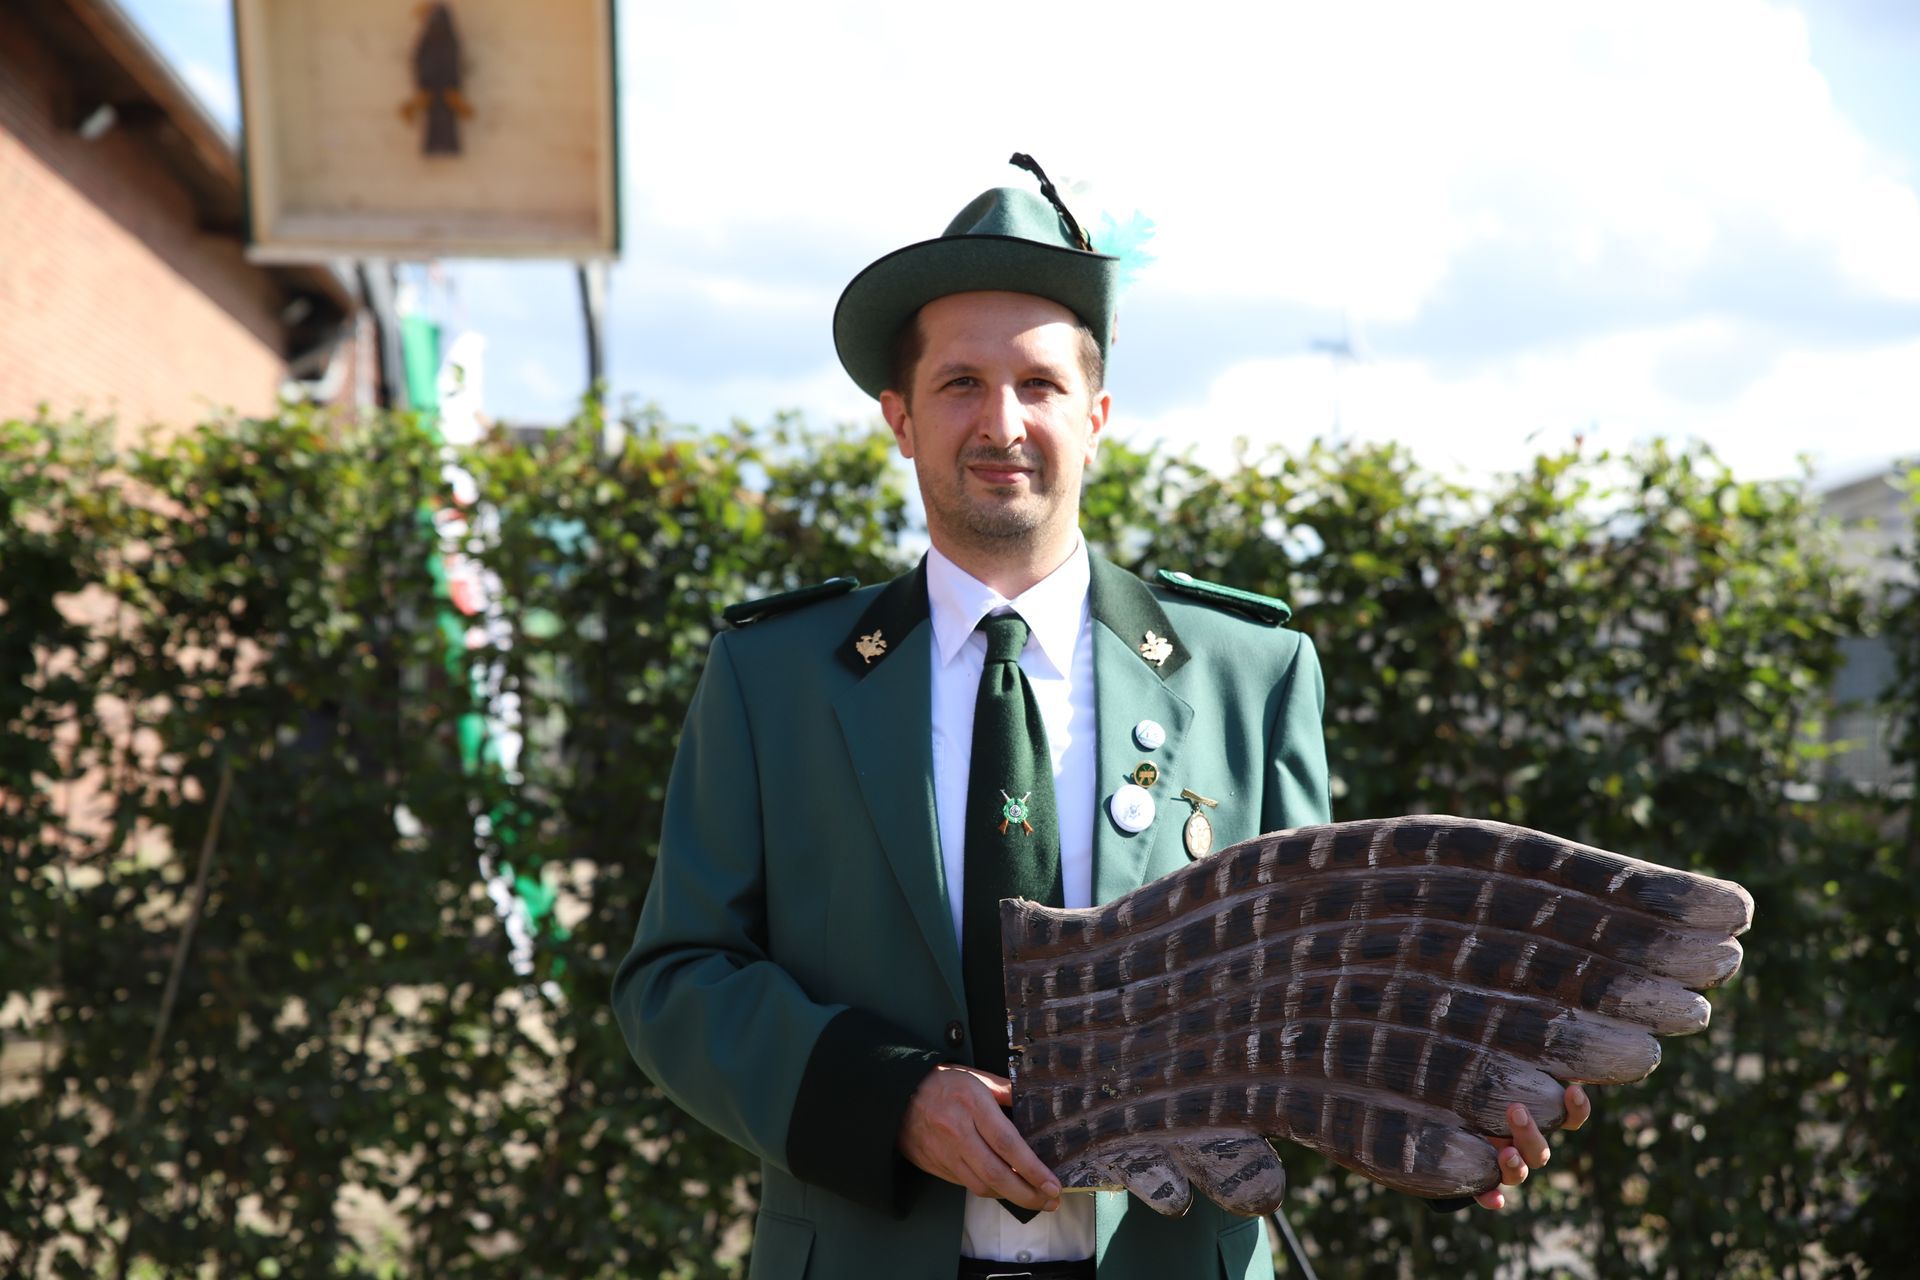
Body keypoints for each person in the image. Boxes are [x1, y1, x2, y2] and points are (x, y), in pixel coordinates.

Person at [613, 162, 1588, 1280]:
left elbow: (1316, 987)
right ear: (900, 419)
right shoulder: (775, 678)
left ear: (1097, 418)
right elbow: (677, 978)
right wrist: (890, 1098)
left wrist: (1455, 1114)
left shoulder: (1251, 673)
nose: (1003, 422)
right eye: (961, 383)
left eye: (1039, 383)